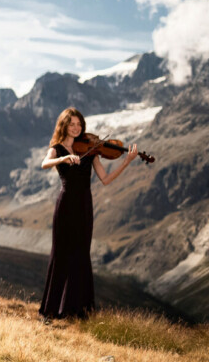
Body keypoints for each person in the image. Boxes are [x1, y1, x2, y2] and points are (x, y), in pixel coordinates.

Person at [38, 107, 139, 321]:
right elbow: (45, 163)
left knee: (81, 256)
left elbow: (106, 179)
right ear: (64, 126)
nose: (76, 128)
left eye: (79, 124)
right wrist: (62, 160)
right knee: (60, 255)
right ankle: (50, 311)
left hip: (85, 205)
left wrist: (126, 161)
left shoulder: (91, 150)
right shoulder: (57, 148)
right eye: (72, 124)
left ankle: (75, 311)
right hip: (65, 205)